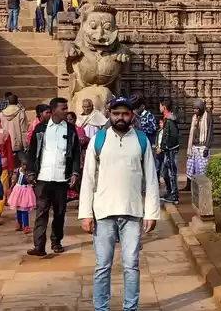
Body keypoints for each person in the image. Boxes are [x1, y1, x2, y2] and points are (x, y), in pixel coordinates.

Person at [78, 96, 160, 311]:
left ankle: (130, 308)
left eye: (125, 113)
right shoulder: (99, 139)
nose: (120, 117)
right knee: (102, 266)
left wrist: (151, 213)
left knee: (131, 266)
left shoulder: (141, 140)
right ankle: (101, 308)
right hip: (104, 212)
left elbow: (151, 179)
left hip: (132, 212)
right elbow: (88, 178)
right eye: (116, 114)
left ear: (132, 115)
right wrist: (86, 213)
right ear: (110, 115)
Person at [25, 97, 82, 256]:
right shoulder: (41, 129)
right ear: (53, 111)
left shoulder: (70, 130)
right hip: (43, 177)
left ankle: (56, 242)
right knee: (41, 212)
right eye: (63, 109)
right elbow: (32, 152)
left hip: (61, 178)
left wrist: (75, 172)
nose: (66, 111)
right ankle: (39, 246)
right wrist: (30, 171)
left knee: (59, 213)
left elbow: (76, 153)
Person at [183, 100, 212, 193]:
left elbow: (210, 133)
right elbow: (192, 132)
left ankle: (203, 188)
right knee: (190, 166)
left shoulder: (207, 117)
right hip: (194, 146)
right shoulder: (195, 117)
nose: (195, 110)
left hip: (203, 146)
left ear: (201, 108)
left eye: (197, 108)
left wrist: (207, 147)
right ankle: (188, 185)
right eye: (194, 108)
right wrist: (190, 146)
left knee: (202, 168)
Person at [155, 100, 180, 204]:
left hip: (171, 150)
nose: (159, 108)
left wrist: (165, 147)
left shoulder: (170, 121)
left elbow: (173, 137)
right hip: (167, 150)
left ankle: (174, 195)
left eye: (160, 106)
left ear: (164, 107)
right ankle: (170, 191)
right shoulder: (167, 120)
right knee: (165, 172)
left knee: (171, 173)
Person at [66, 111, 90, 202]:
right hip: (68, 158)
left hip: (79, 157)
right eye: (67, 119)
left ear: (75, 119)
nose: (69, 121)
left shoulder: (79, 129)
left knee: (79, 178)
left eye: (71, 119)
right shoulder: (64, 129)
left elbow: (83, 140)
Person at [6, 162, 35, 233]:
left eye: (26, 165)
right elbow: (16, 180)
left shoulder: (30, 172)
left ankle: (26, 226)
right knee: (18, 208)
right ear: (21, 164)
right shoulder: (19, 170)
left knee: (25, 209)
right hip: (18, 190)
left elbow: (30, 181)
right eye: (23, 164)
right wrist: (11, 188)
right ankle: (19, 223)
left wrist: (26, 174)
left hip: (26, 191)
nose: (24, 166)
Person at [0, 93, 27, 165]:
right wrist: (25, 145)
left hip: (6, 143)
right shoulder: (21, 113)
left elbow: (0, 130)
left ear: (8, 102)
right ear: (17, 102)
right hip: (18, 144)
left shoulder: (1, 114)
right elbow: (23, 131)